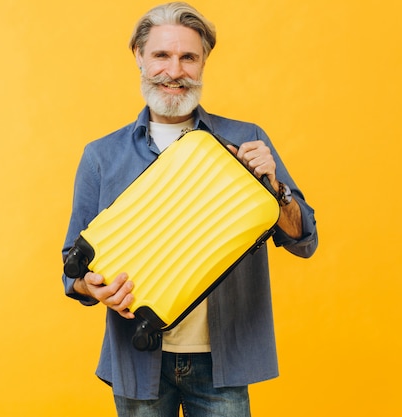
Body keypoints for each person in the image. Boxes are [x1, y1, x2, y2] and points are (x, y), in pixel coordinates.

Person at [61, 2, 318, 416]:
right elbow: (70, 272)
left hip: (223, 363)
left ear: (203, 64)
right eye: (161, 55)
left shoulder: (246, 139)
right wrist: (92, 287)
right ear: (140, 58)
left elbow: (305, 242)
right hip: (138, 359)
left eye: (188, 57)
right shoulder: (102, 157)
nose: (174, 70)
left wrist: (278, 189)